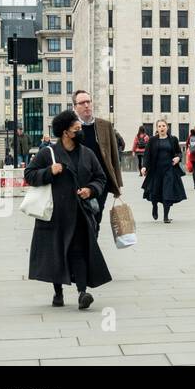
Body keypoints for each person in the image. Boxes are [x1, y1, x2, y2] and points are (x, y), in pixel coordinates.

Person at [24, 109, 112, 309]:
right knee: (57, 252)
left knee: (79, 251)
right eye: (77, 129)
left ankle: (82, 293)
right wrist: (49, 171)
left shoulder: (87, 154)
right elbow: (29, 174)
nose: (80, 132)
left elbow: (101, 178)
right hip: (55, 215)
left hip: (80, 213)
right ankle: (58, 293)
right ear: (65, 132)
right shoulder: (48, 153)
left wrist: (90, 190)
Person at [70, 90, 123, 231]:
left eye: (88, 101)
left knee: (96, 217)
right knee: (80, 220)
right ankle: (86, 249)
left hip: (100, 181)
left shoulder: (104, 125)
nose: (86, 105)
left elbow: (113, 155)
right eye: (82, 103)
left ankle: (92, 249)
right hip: (79, 182)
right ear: (75, 107)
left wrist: (117, 183)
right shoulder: (70, 128)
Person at [141, 118, 187, 223]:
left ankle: (166, 216)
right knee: (155, 192)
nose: (162, 128)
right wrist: (144, 167)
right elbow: (147, 155)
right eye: (159, 126)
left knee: (168, 192)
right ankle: (154, 206)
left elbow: (179, 152)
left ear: (167, 127)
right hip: (156, 170)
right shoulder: (152, 140)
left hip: (169, 170)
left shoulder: (173, 139)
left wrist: (178, 158)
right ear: (157, 128)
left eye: (163, 126)